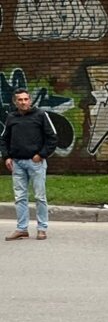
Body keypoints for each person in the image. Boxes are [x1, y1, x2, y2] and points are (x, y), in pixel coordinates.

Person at [2, 88, 58, 241]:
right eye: (20, 100)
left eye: (25, 99)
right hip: (17, 164)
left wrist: (41, 155)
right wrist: (6, 156)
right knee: (20, 197)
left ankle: (42, 229)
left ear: (30, 100)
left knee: (40, 197)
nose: (23, 102)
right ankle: (22, 229)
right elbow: (4, 139)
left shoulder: (40, 115)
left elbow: (52, 137)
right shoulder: (11, 117)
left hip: (36, 163)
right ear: (15, 102)